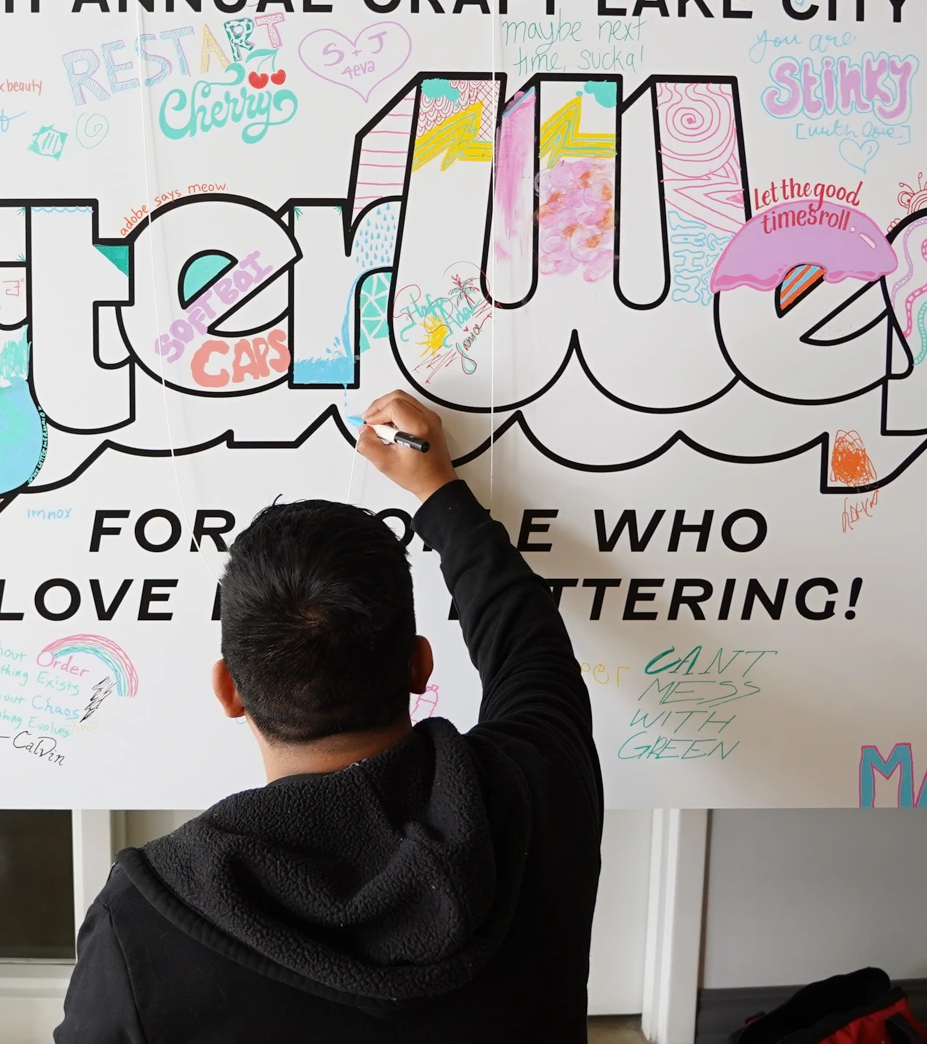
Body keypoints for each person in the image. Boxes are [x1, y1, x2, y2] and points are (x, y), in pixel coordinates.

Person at [55, 390, 603, 1042]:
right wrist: (437, 490)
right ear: (420, 665)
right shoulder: (534, 789)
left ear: (229, 690)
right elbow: (528, 643)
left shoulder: (144, 920)